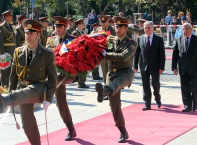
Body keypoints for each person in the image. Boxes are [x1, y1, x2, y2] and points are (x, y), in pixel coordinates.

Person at [0, 19, 57, 145]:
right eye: (26, 32)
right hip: (22, 91)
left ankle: (5, 100)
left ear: (38, 34)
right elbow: (13, 75)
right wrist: (11, 90)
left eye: (31, 33)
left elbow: (53, 78)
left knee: (28, 91)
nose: (28, 35)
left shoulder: (47, 54)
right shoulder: (18, 52)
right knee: (27, 122)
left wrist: (49, 98)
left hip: (39, 88)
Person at [95, 16, 137, 143]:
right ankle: (123, 131)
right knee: (114, 104)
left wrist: (106, 55)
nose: (117, 29)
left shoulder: (131, 43)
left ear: (125, 28)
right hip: (111, 74)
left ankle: (106, 91)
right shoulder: (110, 40)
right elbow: (101, 51)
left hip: (125, 74)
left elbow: (124, 57)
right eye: (115, 26)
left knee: (117, 84)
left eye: (120, 27)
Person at [46, 16, 77, 141]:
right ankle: (71, 128)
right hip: (56, 73)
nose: (57, 29)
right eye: (55, 26)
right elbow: (48, 54)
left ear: (66, 27)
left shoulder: (73, 40)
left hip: (70, 73)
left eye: (60, 26)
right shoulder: (51, 40)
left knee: (58, 91)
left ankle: (70, 129)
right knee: (60, 102)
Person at [134, 21, 165, 110]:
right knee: (145, 85)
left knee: (155, 84)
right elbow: (137, 53)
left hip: (155, 66)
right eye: (145, 28)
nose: (147, 29)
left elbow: (162, 55)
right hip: (144, 66)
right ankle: (147, 103)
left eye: (149, 28)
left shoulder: (158, 39)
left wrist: (161, 67)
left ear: (153, 28)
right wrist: (135, 65)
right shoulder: (140, 38)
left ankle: (157, 99)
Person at [172, 22, 197, 112]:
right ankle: (187, 105)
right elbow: (175, 54)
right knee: (184, 88)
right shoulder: (179, 39)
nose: (185, 31)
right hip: (183, 68)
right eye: (183, 29)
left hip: (194, 68)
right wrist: (174, 67)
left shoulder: (195, 39)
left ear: (191, 29)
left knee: (194, 87)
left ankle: (195, 105)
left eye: (187, 29)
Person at [96, 14, 116, 100]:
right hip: (102, 56)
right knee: (105, 74)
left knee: (111, 74)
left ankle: (112, 90)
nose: (103, 23)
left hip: (111, 55)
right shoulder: (98, 30)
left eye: (105, 21)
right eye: (102, 21)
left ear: (108, 21)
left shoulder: (113, 30)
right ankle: (106, 91)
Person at [72, 18, 90, 88]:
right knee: (81, 67)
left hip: (83, 52)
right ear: (78, 25)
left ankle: (82, 81)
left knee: (84, 67)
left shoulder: (82, 32)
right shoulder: (75, 33)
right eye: (82, 24)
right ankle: (80, 82)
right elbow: (74, 43)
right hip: (79, 52)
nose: (83, 25)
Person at [0, 10, 15, 87]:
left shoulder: (9, 26)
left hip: (11, 51)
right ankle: (3, 86)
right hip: (5, 52)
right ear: (6, 17)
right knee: (4, 70)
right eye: (10, 16)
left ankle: (8, 86)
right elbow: (1, 41)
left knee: (10, 70)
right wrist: (2, 53)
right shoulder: (2, 27)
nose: (12, 17)